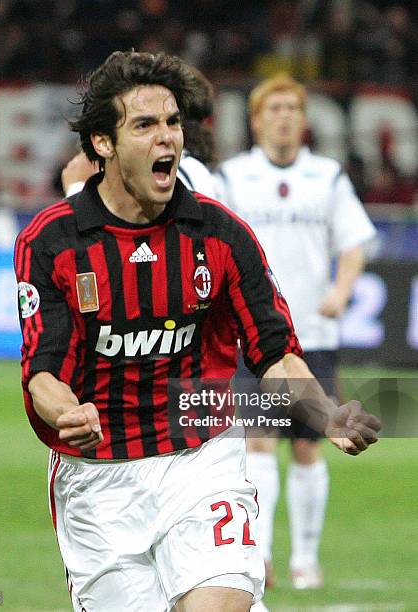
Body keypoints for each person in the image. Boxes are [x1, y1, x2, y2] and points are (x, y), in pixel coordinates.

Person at [14, 52, 380, 612]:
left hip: (201, 459)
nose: (167, 138)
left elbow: (273, 351)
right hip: (99, 480)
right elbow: (44, 368)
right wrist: (65, 410)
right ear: (103, 143)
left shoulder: (222, 233)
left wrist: (324, 412)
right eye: (144, 125)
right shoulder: (52, 242)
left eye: (172, 122)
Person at [217, 73, 377, 590]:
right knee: (258, 441)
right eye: (275, 107)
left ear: (304, 120)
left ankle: (305, 558)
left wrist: (343, 287)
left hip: (314, 334)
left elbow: (354, 242)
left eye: (293, 107)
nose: (285, 116)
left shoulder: (327, 177)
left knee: (310, 446)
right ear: (256, 119)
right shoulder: (233, 178)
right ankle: (259, 556)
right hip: (254, 339)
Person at [61, 66, 219, 200]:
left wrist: (76, 189)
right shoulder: (197, 172)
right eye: (144, 125)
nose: (164, 136)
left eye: (171, 122)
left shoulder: (181, 174)